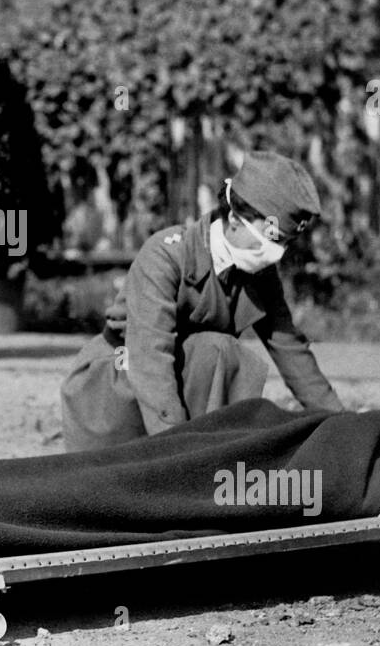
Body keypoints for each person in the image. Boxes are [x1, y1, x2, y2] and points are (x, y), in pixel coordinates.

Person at [60, 151, 344, 452]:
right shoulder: (166, 255)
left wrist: (342, 424)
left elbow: (290, 349)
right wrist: (177, 451)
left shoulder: (259, 274)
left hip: (180, 385)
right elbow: (150, 358)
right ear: (235, 219)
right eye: (271, 239)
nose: (278, 252)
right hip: (117, 386)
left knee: (223, 353)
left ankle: (210, 455)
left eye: (285, 243)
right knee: (217, 350)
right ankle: (193, 458)